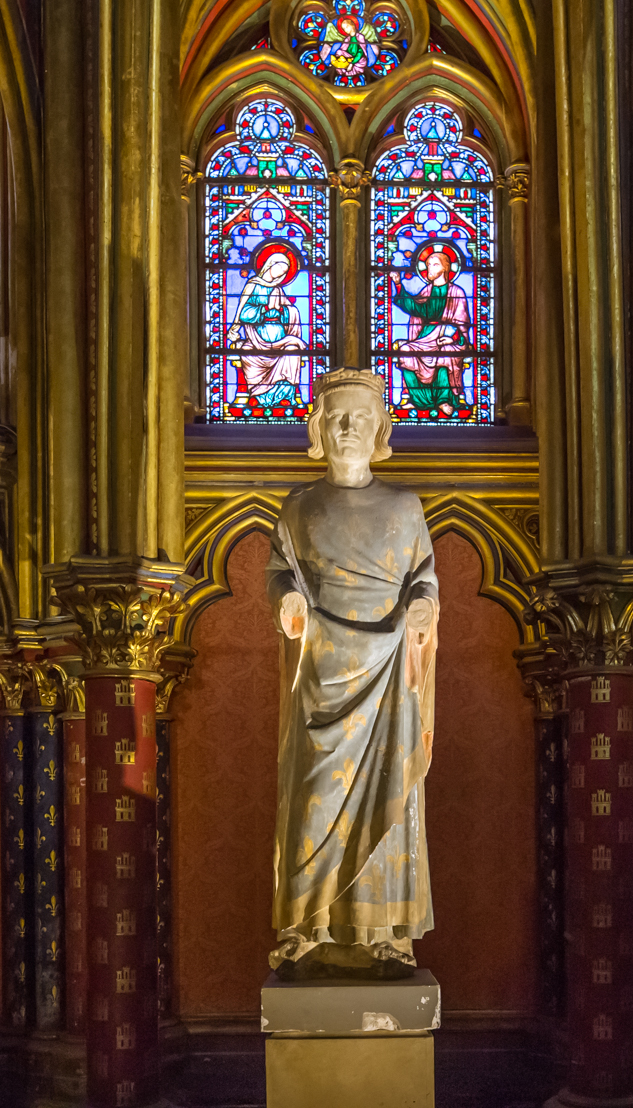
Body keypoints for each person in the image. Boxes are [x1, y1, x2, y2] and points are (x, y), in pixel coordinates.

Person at [267, 368, 439, 978]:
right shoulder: (299, 505)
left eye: (361, 418)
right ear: (317, 429)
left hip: (389, 672)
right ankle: (308, 929)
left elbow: (424, 577)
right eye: (337, 417)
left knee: (391, 800)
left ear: (380, 430)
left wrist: (421, 605)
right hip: (323, 677)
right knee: (314, 804)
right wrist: (287, 599)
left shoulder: (403, 505)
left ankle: (385, 934)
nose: (348, 428)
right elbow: (281, 572)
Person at [392, 240, 470, 419]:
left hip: (447, 337)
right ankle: (418, 398)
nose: (430, 269)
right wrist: (398, 285)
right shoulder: (427, 291)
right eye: (427, 265)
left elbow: (463, 324)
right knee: (405, 351)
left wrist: (454, 338)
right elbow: (415, 307)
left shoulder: (457, 292)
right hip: (425, 337)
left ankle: (444, 400)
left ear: (445, 267)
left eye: (434, 265)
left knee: (445, 354)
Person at [232, 240, 309, 413]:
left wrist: (284, 312)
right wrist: (264, 311)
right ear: (270, 265)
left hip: (279, 338)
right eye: (279, 269)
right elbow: (243, 313)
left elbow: (290, 310)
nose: (280, 274)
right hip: (257, 338)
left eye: (283, 272)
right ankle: (258, 396)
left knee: (292, 350)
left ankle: (285, 397)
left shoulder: (277, 289)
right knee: (248, 353)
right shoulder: (253, 285)